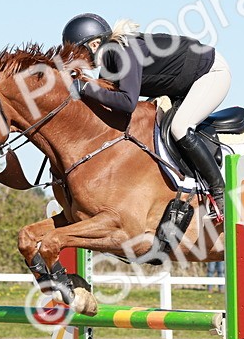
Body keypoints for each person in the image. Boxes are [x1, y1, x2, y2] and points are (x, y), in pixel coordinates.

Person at [61, 13, 231, 220]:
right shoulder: (109, 61)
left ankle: (220, 192)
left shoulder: (123, 51)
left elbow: (127, 102)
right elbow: (105, 102)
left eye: (80, 54)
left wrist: (86, 88)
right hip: (183, 84)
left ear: (95, 44)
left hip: (210, 73)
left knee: (180, 127)